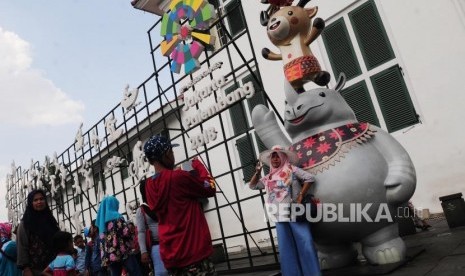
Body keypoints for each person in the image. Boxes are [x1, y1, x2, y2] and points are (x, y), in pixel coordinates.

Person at [143, 135, 217, 275]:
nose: (173, 155)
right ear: (164, 155)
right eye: (171, 152)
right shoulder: (178, 177)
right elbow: (210, 187)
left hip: (171, 256)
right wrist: (198, 165)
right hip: (194, 252)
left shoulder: (148, 186)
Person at [249, 145, 321, 276]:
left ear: (283, 157)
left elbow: (310, 178)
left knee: (305, 243)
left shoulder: (291, 169)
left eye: (278, 156)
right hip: (278, 214)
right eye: (273, 156)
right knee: (286, 247)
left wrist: (300, 195)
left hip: (294, 212)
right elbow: (253, 186)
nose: (275, 159)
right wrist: (258, 172)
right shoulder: (269, 176)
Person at [17, 189, 60, 276]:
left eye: (41, 199)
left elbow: (58, 240)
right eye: (35, 200)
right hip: (35, 270)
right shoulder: (25, 224)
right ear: (30, 203)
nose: (39, 202)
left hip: (54, 268)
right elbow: (22, 246)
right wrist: (26, 269)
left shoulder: (50, 220)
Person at [96, 196, 142, 276]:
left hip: (111, 256)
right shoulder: (117, 217)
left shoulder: (102, 224)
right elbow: (125, 233)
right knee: (135, 271)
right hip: (123, 252)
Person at [136, 179, 167, 276]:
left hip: (170, 242)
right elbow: (141, 231)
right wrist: (143, 251)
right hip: (156, 246)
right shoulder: (141, 210)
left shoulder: (161, 203)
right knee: (161, 273)